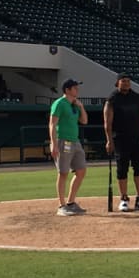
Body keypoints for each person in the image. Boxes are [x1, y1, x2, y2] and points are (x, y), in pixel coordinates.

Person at [104, 72, 139, 212]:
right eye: (123, 81)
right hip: (120, 139)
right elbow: (107, 122)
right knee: (122, 169)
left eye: (127, 81)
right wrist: (109, 140)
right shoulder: (112, 99)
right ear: (117, 83)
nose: (126, 83)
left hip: (137, 138)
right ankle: (124, 198)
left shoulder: (138, 98)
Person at [50, 78, 88, 216]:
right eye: (75, 88)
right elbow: (52, 124)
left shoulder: (74, 105)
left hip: (75, 141)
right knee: (63, 173)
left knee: (81, 171)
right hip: (63, 141)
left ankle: (71, 202)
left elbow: (84, 121)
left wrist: (81, 107)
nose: (77, 90)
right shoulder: (59, 104)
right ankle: (61, 205)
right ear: (67, 90)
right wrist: (53, 144)